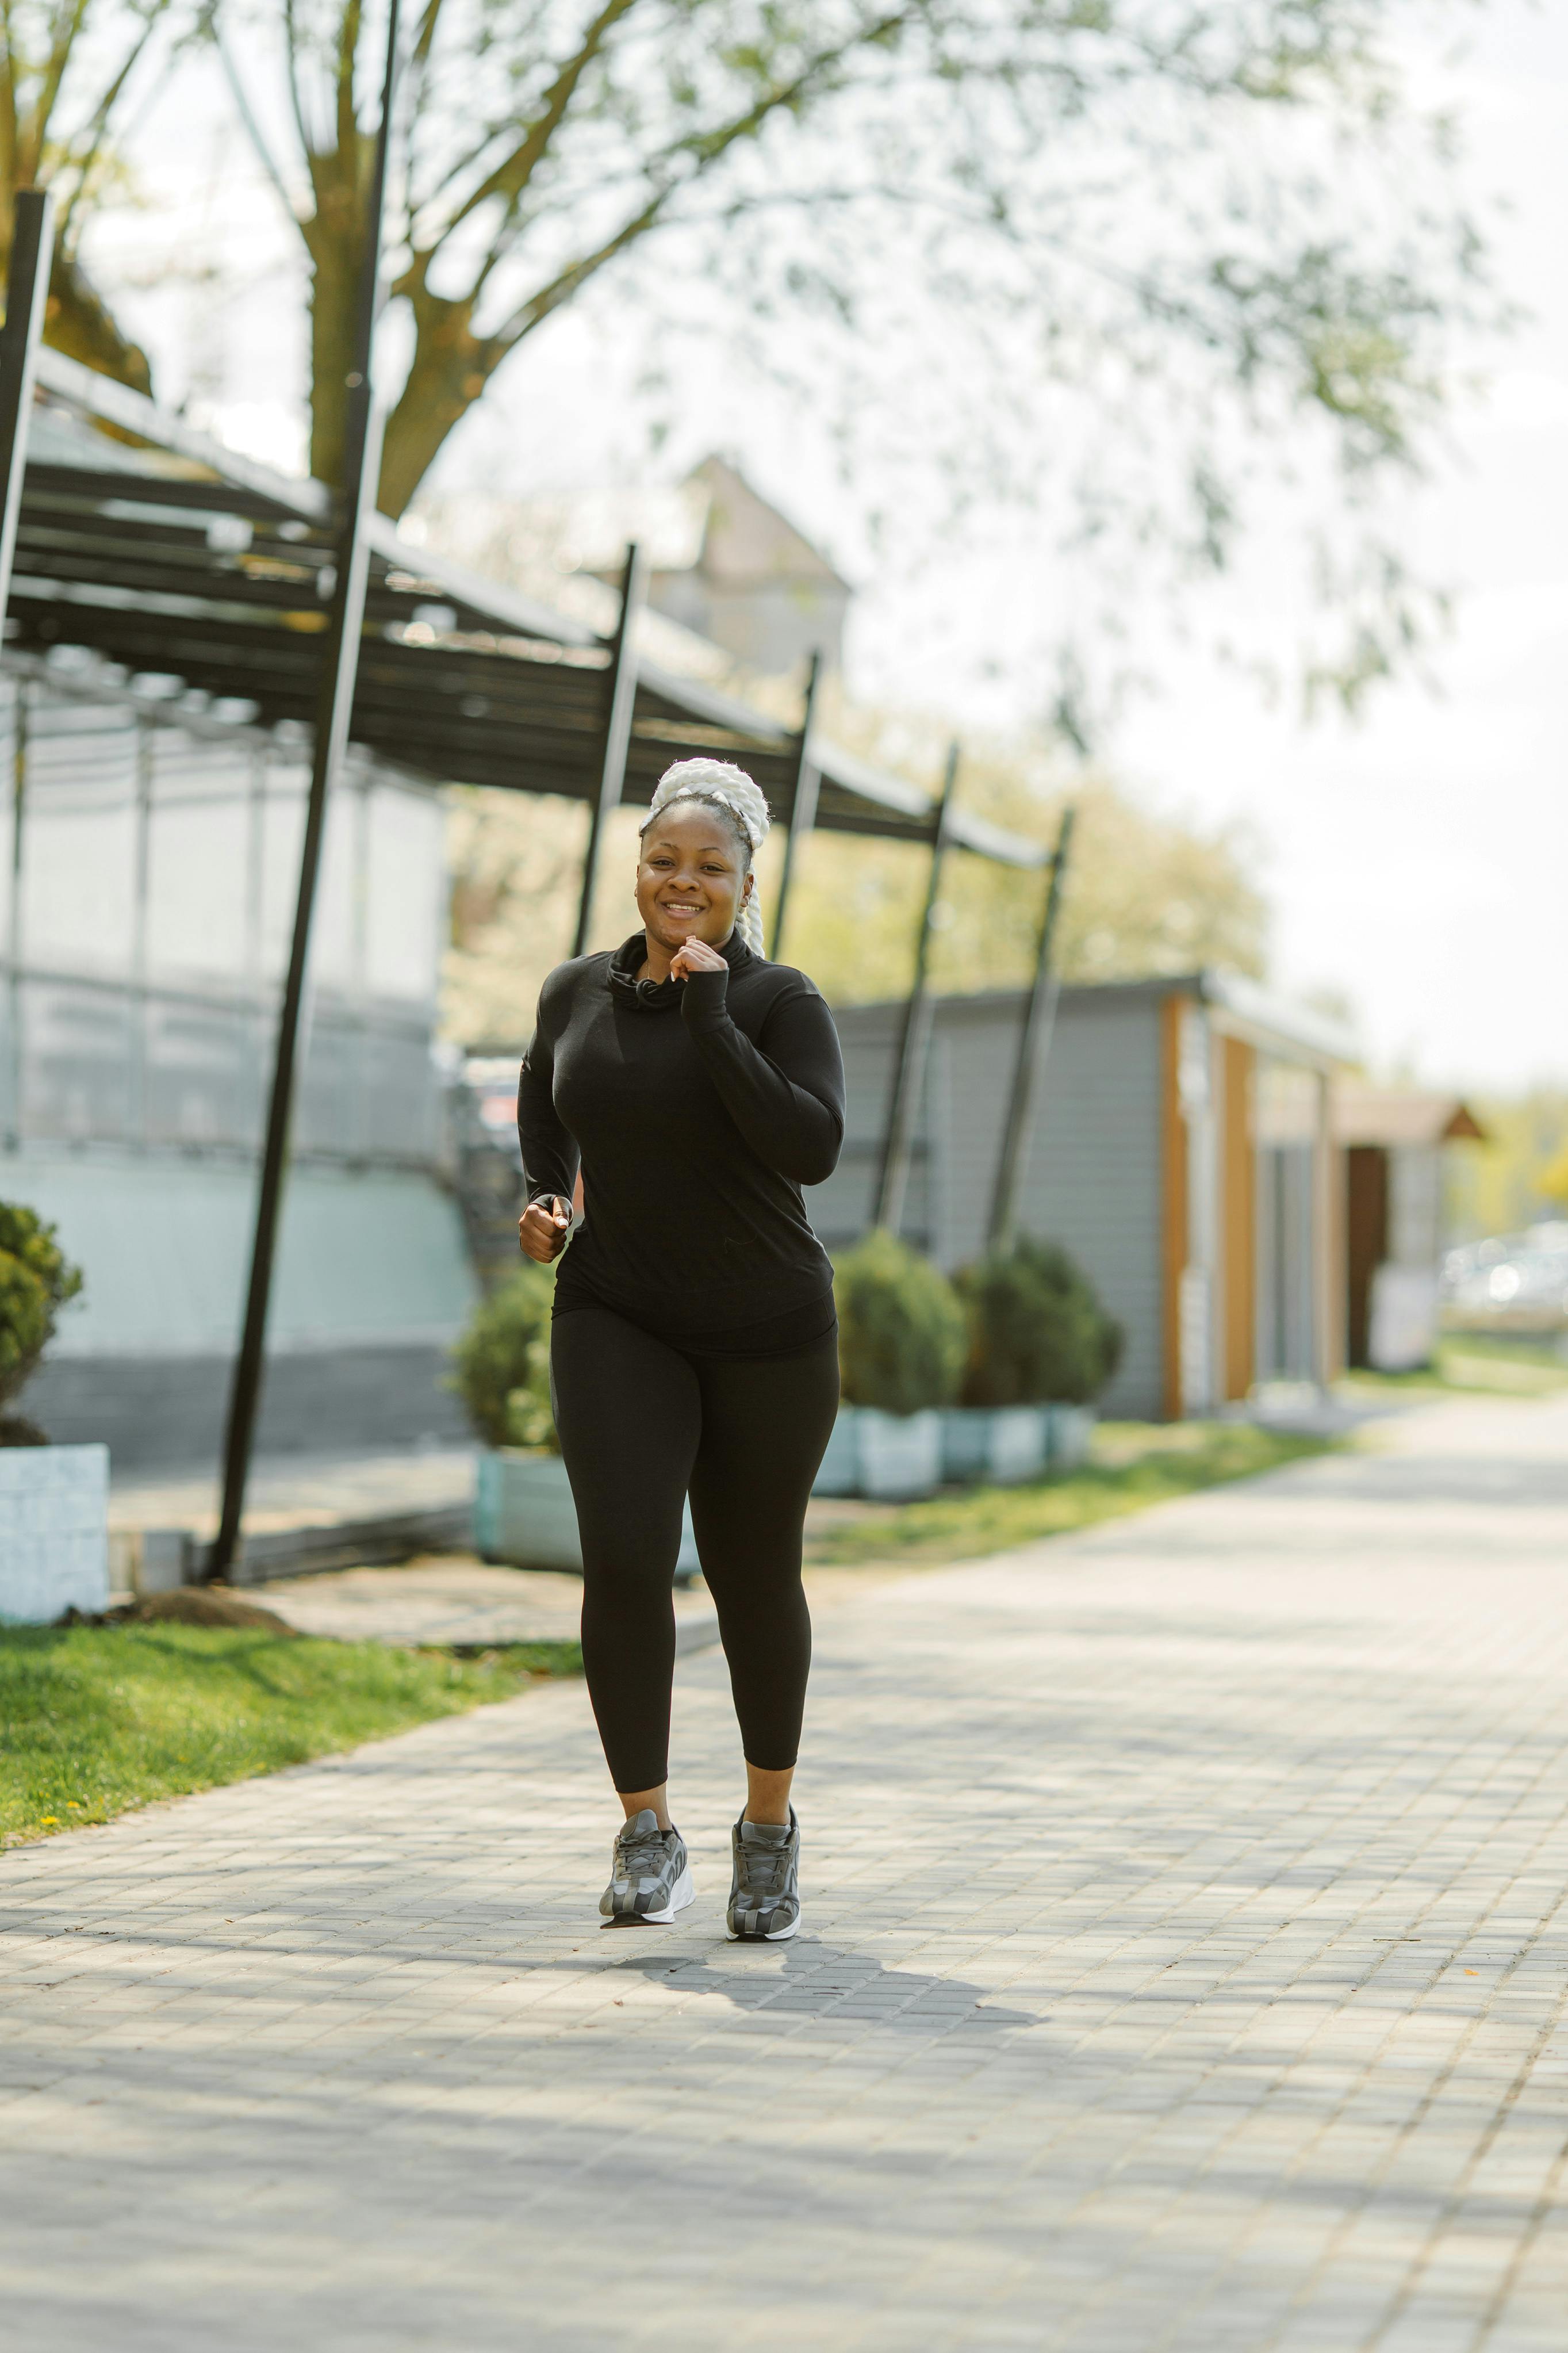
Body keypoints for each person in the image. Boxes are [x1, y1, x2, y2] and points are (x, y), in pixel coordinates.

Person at [517, 757, 845, 1939]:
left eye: (710, 866)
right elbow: (546, 1094)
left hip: (768, 1331)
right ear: (638, 869)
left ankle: (768, 1831)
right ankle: (647, 1834)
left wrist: (709, 1011)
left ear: (747, 884)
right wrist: (546, 1194)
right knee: (623, 1560)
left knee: (751, 1574)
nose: (683, 881)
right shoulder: (575, 991)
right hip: (618, 1312)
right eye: (664, 860)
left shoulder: (778, 1001)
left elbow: (809, 1147)